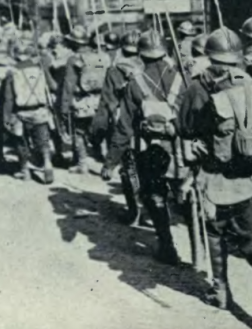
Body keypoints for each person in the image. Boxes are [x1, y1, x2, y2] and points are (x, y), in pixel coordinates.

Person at [176, 27, 252, 329]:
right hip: (250, 173)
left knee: (213, 232)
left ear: (209, 56)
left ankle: (221, 290)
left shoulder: (198, 86)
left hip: (213, 174)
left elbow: (185, 127)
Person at [103, 29, 189, 265]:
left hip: (150, 148)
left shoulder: (135, 83)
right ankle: (198, 248)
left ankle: (166, 244)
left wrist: (110, 161)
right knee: (188, 195)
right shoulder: (182, 79)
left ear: (141, 55)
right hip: (182, 147)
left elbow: (124, 127)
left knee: (155, 195)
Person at [93, 31, 144, 223]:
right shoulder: (149, 67)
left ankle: (134, 211)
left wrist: (97, 131)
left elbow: (107, 104)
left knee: (129, 169)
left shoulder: (115, 71)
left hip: (126, 125)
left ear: (122, 49)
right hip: (151, 125)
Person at [59, 25, 110, 174]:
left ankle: (82, 164)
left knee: (79, 132)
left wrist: (64, 107)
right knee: (101, 129)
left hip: (82, 100)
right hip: (101, 99)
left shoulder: (74, 59)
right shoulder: (102, 56)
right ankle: (102, 157)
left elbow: (69, 86)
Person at [2, 43, 55, 183]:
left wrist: (6, 117)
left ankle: (25, 171)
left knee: (20, 141)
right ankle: (47, 164)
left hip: (20, 112)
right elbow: (52, 86)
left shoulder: (12, 72)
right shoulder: (40, 69)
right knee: (43, 141)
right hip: (40, 110)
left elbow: (9, 98)